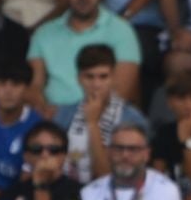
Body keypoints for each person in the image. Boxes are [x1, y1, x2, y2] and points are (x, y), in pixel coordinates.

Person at [25, 0, 141, 112]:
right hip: (52, 120)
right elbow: (34, 86)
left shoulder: (122, 31)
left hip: (104, 117)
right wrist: (42, 107)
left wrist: (76, 117)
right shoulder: (44, 33)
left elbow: (121, 91)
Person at [52, 45, 149, 186]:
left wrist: (92, 123)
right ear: (79, 78)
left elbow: (107, 178)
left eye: (103, 77)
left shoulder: (132, 118)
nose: (96, 84)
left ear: (114, 77)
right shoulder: (64, 114)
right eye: (89, 77)